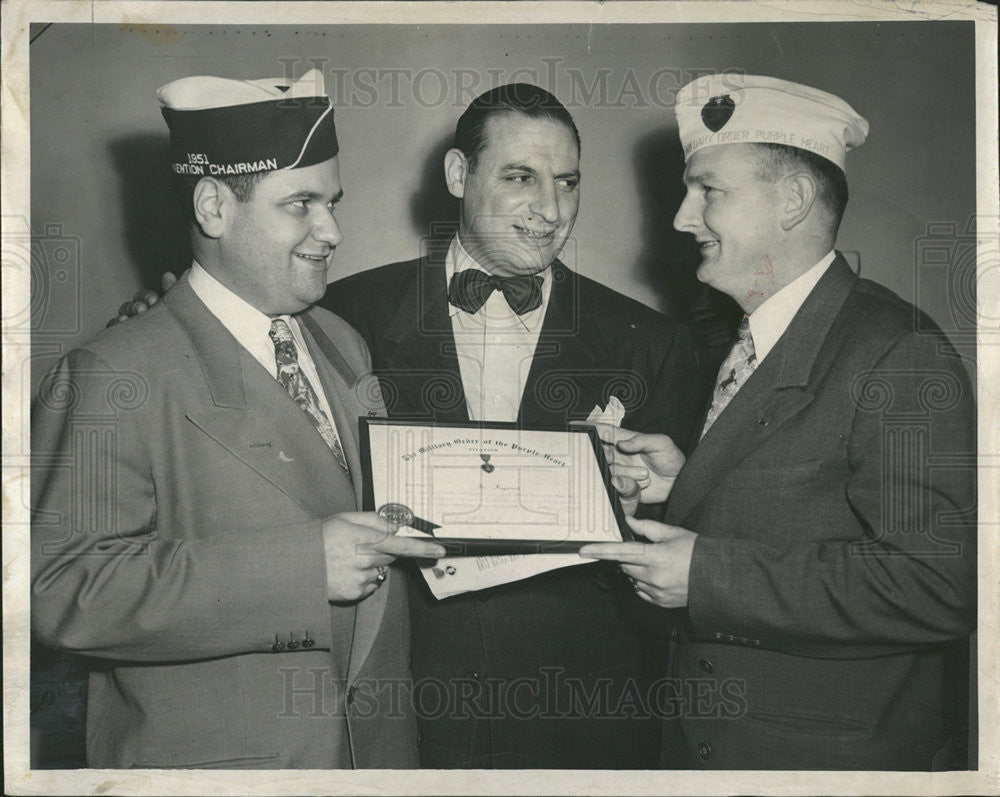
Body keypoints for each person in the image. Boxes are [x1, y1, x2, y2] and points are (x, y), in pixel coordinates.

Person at [117, 83, 704, 768]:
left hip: (578, 711)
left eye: (567, 183)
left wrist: (656, 497)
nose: (550, 210)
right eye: (520, 177)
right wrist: (156, 326)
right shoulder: (337, 316)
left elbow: (689, 556)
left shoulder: (654, 342)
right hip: (394, 705)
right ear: (459, 175)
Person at [31, 69, 444, 770]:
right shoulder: (112, 372)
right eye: (302, 204)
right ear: (215, 207)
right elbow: (62, 587)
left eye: (333, 201)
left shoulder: (342, 343)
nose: (334, 230)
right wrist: (302, 568)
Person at [581, 74, 977, 770]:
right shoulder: (743, 341)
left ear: (792, 199)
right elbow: (792, 507)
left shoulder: (898, 353)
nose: (680, 217)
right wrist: (682, 485)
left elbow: (938, 584)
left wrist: (706, 575)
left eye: (708, 190)